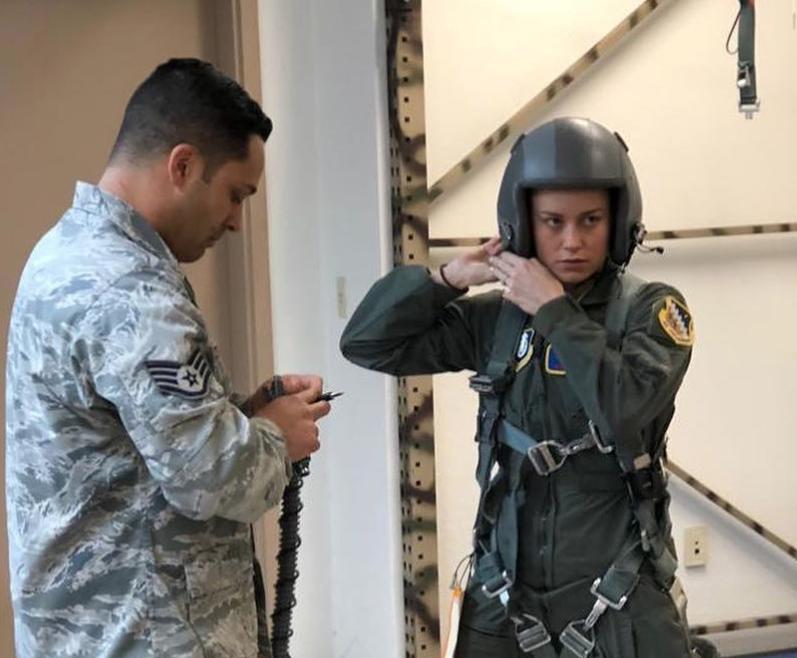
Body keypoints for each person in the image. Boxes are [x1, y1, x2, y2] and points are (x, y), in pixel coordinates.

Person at [341, 117, 714, 657]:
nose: (572, 241)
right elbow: (368, 344)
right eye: (552, 222)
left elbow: (624, 410)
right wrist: (445, 281)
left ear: (618, 222)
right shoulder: (500, 319)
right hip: (507, 589)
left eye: (590, 220)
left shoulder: (653, 312)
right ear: (522, 225)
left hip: (620, 588)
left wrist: (555, 312)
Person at [5, 58, 330, 658]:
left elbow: (137, 447)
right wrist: (278, 438)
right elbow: (212, 478)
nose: (236, 221)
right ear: (183, 165)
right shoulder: (132, 292)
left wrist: (246, 416)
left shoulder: (70, 252)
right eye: (235, 194)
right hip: (145, 636)